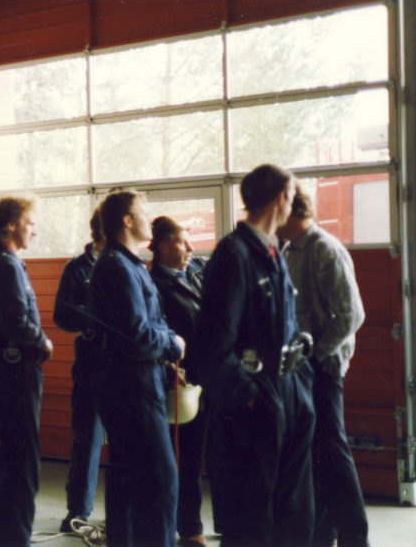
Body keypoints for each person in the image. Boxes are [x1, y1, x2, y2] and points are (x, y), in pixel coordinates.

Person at [194, 163, 316, 547]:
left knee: (294, 512)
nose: (293, 204)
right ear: (281, 198)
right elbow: (213, 347)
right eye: (292, 197)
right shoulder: (234, 255)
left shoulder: (272, 251)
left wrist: (300, 383)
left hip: (289, 389)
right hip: (258, 399)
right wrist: (250, 397)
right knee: (253, 518)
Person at [88, 190, 185, 547]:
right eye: (143, 212)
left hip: (134, 380)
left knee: (129, 482)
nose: (149, 218)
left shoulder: (126, 264)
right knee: (160, 482)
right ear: (126, 221)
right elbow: (137, 334)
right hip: (133, 385)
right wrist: (173, 344)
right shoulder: (119, 267)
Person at [277, 190, 369, 547]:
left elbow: (351, 314)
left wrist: (316, 357)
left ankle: (355, 537)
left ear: (290, 209)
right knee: (317, 452)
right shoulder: (289, 250)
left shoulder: (324, 248)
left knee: (332, 448)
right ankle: (323, 535)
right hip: (301, 369)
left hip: (322, 368)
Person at [0, 196, 53, 547]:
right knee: (22, 465)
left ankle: (2, 537)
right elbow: (18, 321)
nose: (34, 230)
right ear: (10, 225)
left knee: (4, 459)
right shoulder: (6, 266)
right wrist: (43, 343)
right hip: (16, 373)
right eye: (30, 223)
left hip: (2, 371)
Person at [148, 216, 207, 547]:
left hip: (211, 378)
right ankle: (188, 528)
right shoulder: (152, 285)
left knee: (214, 453)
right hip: (180, 383)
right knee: (185, 459)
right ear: (164, 246)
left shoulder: (198, 272)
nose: (191, 248)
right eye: (183, 242)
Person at [53, 208, 106, 533]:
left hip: (126, 366)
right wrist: (95, 317)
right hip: (91, 362)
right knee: (87, 437)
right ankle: (78, 512)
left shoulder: (133, 265)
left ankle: (124, 512)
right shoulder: (76, 268)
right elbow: (61, 315)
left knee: (128, 441)